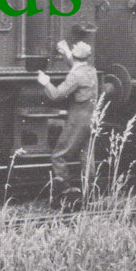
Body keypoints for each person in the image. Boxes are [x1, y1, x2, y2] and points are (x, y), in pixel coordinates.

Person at [36, 40, 98, 196]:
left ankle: (64, 190)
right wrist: (66, 53)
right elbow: (77, 65)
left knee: (58, 155)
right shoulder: (91, 70)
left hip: (77, 120)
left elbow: (56, 95)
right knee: (87, 155)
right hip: (91, 118)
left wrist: (46, 82)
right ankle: (89, 190)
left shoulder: (76, 75)